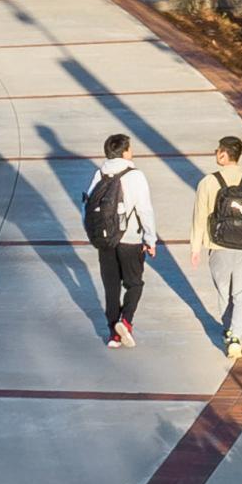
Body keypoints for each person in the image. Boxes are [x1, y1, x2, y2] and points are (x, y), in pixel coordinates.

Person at [85, 133, 159, 348]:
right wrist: (150, 239)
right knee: (134, 283)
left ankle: (113, 335)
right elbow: (145, 210)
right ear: (125, 152)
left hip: (105, 240)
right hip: (130, 239)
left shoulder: (99, 174)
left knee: (111, 288)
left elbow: (88, 206)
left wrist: (96, 236)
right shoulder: (135, 175)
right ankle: (125, 321)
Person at [194, 133, 242, 336]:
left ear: (224, 155)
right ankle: (235, 337)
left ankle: (228, 329)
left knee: (223, 292)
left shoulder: (208, 182)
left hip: (218, 247)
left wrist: (196, 247)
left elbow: (199, 217)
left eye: (218, 151)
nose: (216, 154)